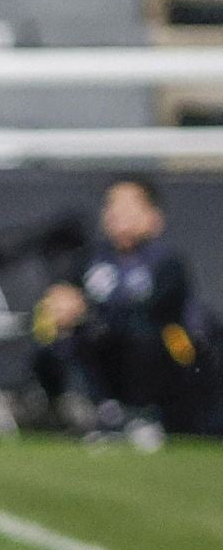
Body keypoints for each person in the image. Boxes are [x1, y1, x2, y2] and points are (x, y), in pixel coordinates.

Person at [33, 178, 209, 448]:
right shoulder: (92, 258)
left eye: (129, 206)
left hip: (164, 351)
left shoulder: (166, 261)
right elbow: (66, 293)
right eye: (112, 205)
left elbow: (152, 309)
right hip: (99, 343)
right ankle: (97, 413)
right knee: (56, 341)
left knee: (140, 335)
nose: (117, 213)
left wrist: (87, 308)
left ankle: (144, 415)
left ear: (153, 217)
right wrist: (61, 304)